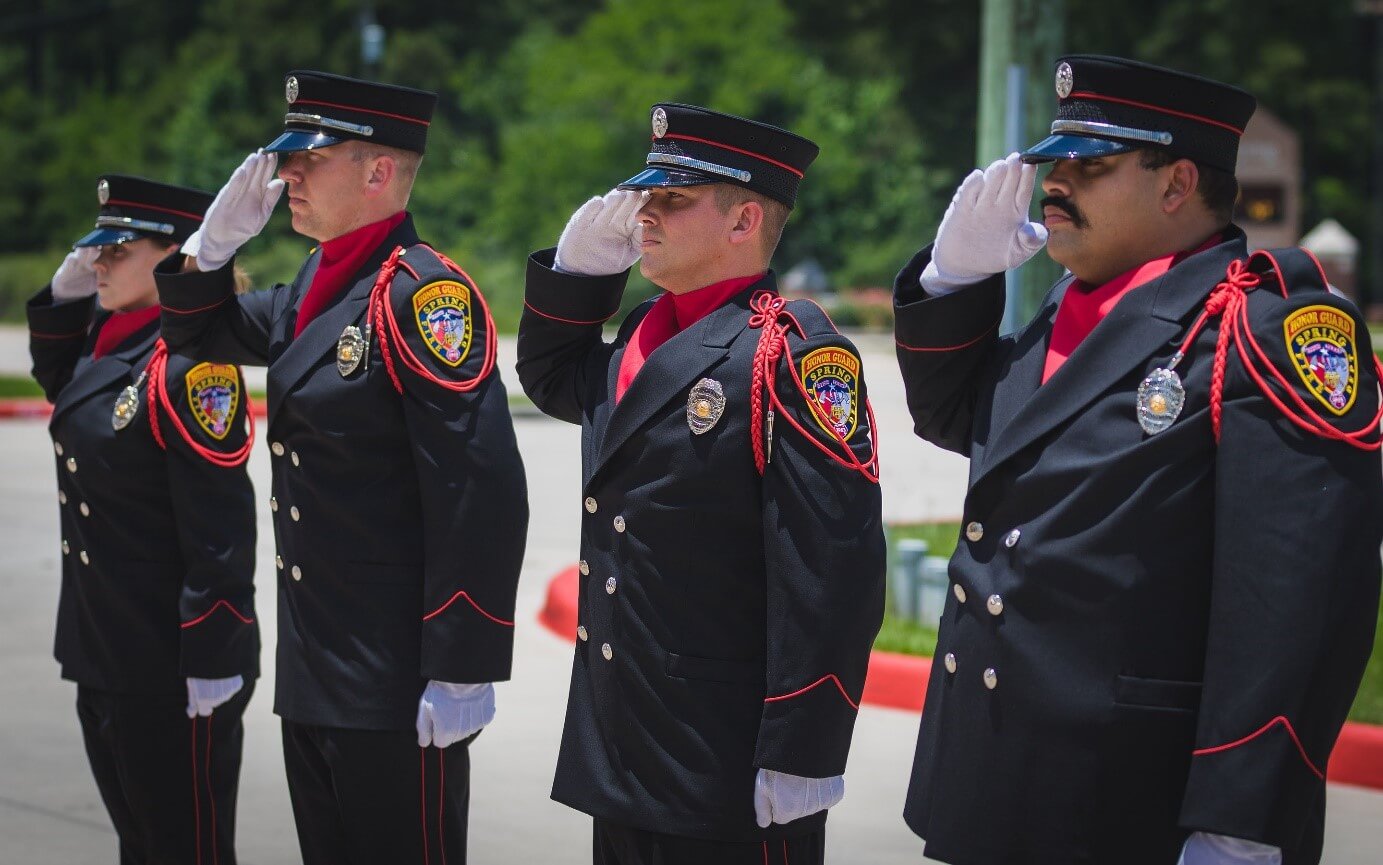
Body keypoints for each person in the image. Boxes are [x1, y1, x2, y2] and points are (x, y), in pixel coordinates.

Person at [892, 55, 1382, 865]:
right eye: (1054, 163)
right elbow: (961, 421)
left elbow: (1297, 600)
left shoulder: (1265, 332)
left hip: (1131, 803)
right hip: (993, 781)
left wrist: (1240, 823)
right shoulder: (1065, 310)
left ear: (1175, 182)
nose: (1058, 185)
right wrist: (953, 281)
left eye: (1090, 166)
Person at [153, 70, 528, 865]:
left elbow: (479, 487)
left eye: (308, 159)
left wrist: (461, 665)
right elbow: (198, 332)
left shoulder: (424, 296)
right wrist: (211, 247)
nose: (287, 174)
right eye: (287, 158)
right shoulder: (311, 292)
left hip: (397, 678)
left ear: (377, 171)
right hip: (318, 665)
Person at [517, 103, 886, 865]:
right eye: (646, 196)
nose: (643, 215)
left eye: (672, 200)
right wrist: (575, 278)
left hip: (725, 757)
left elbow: (832, 566)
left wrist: (804, 745)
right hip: (621, 739)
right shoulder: (645, 333)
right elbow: (553, 378)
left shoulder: (791, 351)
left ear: (743, 218)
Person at [27, 174, 259, 864]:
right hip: (104, 647)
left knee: (185, 848)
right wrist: (66, 294)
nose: (97, 262)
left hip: (171, 662)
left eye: (117, 248)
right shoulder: (108, 348)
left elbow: (221, 526)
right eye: (96, 247)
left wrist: (214, 652)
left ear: (173, 256)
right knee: (142, 843)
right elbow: (60, 378)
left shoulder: (191, 365)